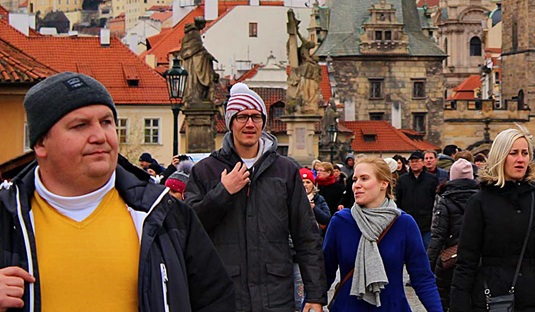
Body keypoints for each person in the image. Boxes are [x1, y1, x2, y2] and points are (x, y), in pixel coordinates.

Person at [0, 71, 234, 312]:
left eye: (106, 122)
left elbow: (217, 300)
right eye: (80, 125)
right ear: (40, 144)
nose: (100, 136)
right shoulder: (7, 217)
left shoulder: (164, 215)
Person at [186, 83, 326, 312]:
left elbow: (306, 235)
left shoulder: (285, 170)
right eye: (242, 117)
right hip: (223, 295)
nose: (250, 124)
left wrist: (315, 295)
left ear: (263, 122)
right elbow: (189, 229)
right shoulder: (205, 171)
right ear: (231, 122)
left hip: (275, 296)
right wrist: (223, 193)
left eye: (256, 117)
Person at [450, 128, 535, 312]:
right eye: (513, 153)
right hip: (491, 299)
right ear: (500, 156)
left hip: (534, 300)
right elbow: (466, 262)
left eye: (525, 153)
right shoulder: (479, 202)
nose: (520, 159)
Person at [322, 156, 443, 312]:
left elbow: (422, 278)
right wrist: (311, 303)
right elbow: (324, 274)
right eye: (355, 179)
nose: (356, 185)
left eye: (364, 179)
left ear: (383, 184)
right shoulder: (341, 222)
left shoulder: (403, 223)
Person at [427, 158, 479, 311]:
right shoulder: (482, 198)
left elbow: (437, 236)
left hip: (450, 260)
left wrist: (427, 265)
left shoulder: (444, 200)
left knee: (448, 300)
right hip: (477, 259)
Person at [396, 150, 440, 248]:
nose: (414, 163)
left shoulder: (431, 179)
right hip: (407, 222)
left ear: (422, 162)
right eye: (412, 161)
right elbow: (397, 200)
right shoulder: (402, 180)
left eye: (417, 161)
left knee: (426, 251)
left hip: (427, 224)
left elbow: (436, 201)